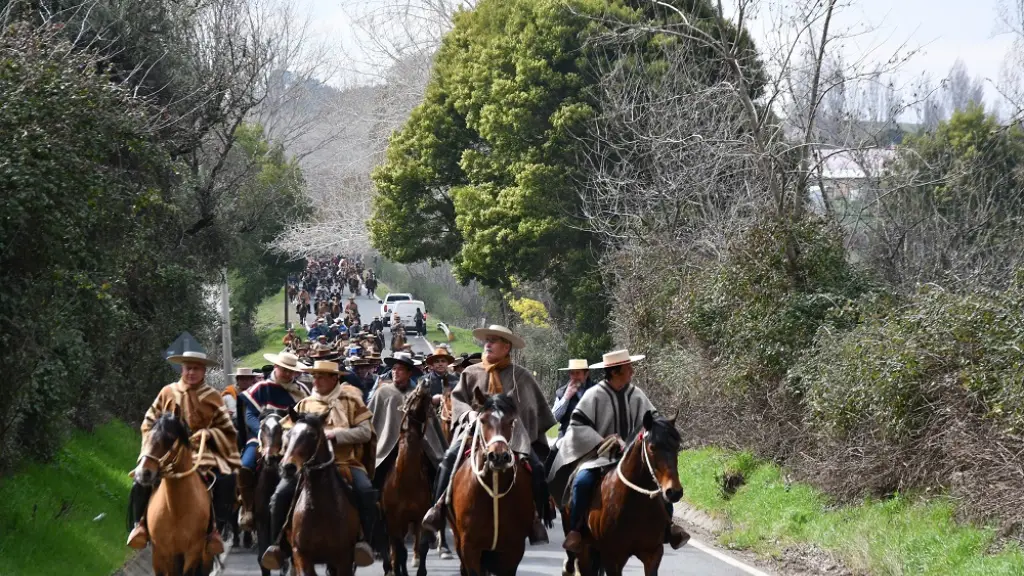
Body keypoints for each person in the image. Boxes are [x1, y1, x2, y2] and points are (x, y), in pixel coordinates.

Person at [421, 325, 556, 544]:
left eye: (494, 341)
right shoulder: (471, 372)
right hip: (476, 430)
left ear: (506, 347)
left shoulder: (520, 375)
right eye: (487, 340)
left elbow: (533, 408)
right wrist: (469, 415)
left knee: (537, 468)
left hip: (511, 432)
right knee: (447, 462)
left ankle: (536, 517)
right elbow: (458, 401)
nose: (488, 344)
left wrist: (513, 420)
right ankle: (437, 511)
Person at [548, 349, 689, 553]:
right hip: (599, 456)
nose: (631, 371)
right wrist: (602, 440)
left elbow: (654, 419)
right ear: (615, 372)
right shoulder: (594, 395)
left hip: (633, 457)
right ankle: (577, 531)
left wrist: (665, 428)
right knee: (582, 482)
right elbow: (577, 424)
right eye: (628, 368)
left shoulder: (637, 394)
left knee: (657, 484)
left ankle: (668, 526)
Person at [260, 361, 382, 571]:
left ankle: (365, 542)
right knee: (279, 495)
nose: (316, 380)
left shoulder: (352, 401)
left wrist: (336, 434)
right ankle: (278, 545)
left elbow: (365, 432)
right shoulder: (305, 404)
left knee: (366, 491)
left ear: (335, 378)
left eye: (322, 376)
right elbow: (288, 432)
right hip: (306, 466)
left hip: (345, 462)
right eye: (315, 376)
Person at [127, 351, 241, 555]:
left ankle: (216, 529)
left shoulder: (213, 396)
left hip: (202, 454)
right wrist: (156, 442)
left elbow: (227, 429)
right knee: (140, 480)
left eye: (196, 368)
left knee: (227, 479)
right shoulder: (167, 392)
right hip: (167, 454)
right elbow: (149, 422)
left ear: (204, 371)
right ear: (182, 369)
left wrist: (208, 433)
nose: (191, 372)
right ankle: (140, 526)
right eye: (188, 368)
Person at [236, 352, 309, 533]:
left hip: (290, 440)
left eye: (290, 371)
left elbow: (304, 417)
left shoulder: (302, 391)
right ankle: (247, 507)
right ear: (276, 368)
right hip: (262, 436)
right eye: (284, 369)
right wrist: (262, 429)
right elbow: (250, 414)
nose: (286, 374)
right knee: (245, 466)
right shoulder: (261, 388)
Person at [368, 353, 447, 488]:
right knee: (375, 474)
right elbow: (371, 419)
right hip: (387, 444)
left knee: (438, 469)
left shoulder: (419, 395)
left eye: (400, 369)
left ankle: (438, 502)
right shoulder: (382, 393)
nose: (395, 372)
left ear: (409, 373)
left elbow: (431, 424)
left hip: (417, 441)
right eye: (393, 369)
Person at [551, 359, 594, 439]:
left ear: (586, 374)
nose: (574, 377)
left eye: (578, 373)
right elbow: (554, 418)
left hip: (591, 437)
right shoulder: (561, 392)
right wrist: (566, 397)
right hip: (566, 437)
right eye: (572, 373)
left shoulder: (596, 390)